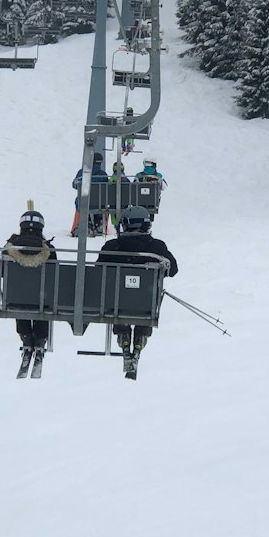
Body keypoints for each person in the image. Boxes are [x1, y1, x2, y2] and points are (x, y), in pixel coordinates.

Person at [97, 205, 177, 375]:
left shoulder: (112, 247)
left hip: (118, 303)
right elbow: (174, 270)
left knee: (120, 302)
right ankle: (139, 342)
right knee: (144, 306)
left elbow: (98, 271)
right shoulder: (157, 247)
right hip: (146, 302)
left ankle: (124, 339)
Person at [3, 209, 56, 358]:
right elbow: (54, 273)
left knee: (20, 302)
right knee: (42, 308)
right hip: (42, 297)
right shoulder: (48, 250)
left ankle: (26, 336)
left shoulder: (11, 247)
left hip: (17, 296)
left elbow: (3, 271)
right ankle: (40, 339)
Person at [70, 150, 110, 236]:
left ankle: (86, 222)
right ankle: (98, 221)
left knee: (82, 202)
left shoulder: (82, 172)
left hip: (83, 202)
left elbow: (74, 185)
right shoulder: (103, 175)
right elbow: (107, 188)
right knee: (100, 201)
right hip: (99, 203)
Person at [135, 155, 167, 221]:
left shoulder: (139, 176)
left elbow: (133, 188)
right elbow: (164, 187)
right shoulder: (158, 176)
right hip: (153, 203)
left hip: (139, 202)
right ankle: (149, 221)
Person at [106, 159, 130, 231]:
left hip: (113, 204)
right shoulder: (126, 179)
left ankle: (117, 228)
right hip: (125, 205)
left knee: (113, 208)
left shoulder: (111, 179)